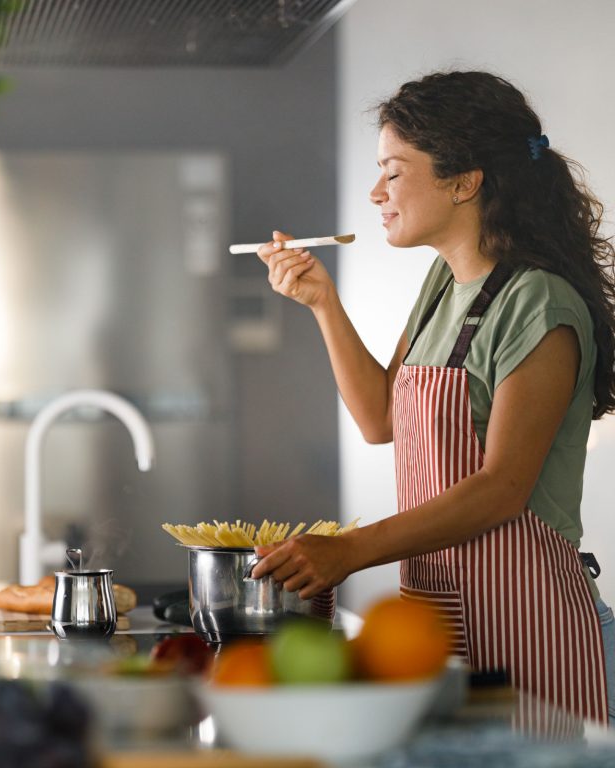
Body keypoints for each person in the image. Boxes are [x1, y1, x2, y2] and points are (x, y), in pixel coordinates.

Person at [250, 70, 615, 726]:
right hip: (443, 620)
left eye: (394, 171)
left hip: (535, 625)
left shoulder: (539, 301)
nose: (376, 192)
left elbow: (503, 487)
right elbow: (378, 420)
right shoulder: (443, 287)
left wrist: (351, 551)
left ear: (463, 180)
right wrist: (322, 302)